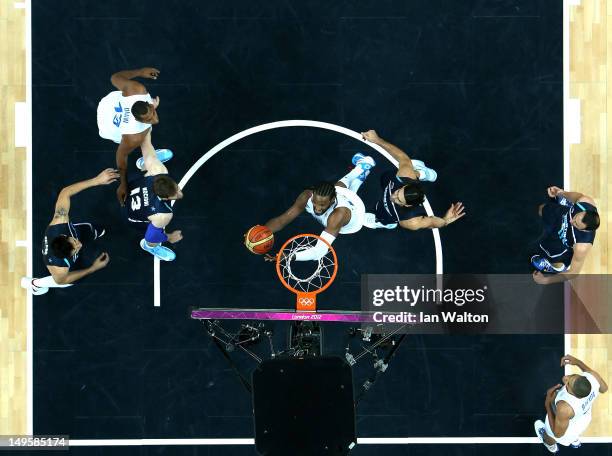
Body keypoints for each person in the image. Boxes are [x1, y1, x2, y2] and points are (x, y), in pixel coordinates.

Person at [20, 169, 119, 295]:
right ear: (66, 257)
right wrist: (92, 269)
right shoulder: (60, 268)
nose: (80, 245)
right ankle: (36, 284)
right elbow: (62, 280)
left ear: (64, 235)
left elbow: (65, 192)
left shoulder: (59, 222)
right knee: (68, 282)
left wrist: (97, 180)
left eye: (75, 242)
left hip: (74, 232)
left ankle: (34, 284)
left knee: (95, 229)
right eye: (76, 249)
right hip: (61, 273)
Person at [263, 153, 377, 262]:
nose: (316, 208)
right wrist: (262, 232)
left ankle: (372, 219)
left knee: (344, 193)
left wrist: (288, 256)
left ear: (332, 200)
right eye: (314, 202)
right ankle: (361, 168)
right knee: (338, 186)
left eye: (322, 205)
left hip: (354, 218)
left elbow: (318, 252)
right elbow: (282, 220)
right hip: (340, 197)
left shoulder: (338, 216)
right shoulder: (307, 196)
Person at [96, 67, 173, 205]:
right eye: (149, 119)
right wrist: (123, 184)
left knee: (147, 129)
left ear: (147, 103)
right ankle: (148, 158)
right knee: (146, 135)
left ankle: (148, 158)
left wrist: (141, 72)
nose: (155, 120)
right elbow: (121, 157)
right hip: (107, 128)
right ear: (139, 120)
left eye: (153, 112)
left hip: (107, 104)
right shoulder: (133, 136)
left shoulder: (137, 89)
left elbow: (114, 77)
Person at [360, 130, 465, 230]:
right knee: (396, 171)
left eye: (398, 200)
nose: (393, 196)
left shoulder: (411, 221)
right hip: (395, 180)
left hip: (389, 212)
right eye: (398, 192)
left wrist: (446, 221)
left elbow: (432, 222)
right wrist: (377, 140)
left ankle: (382, 222)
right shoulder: (405, 174)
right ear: (405, 186)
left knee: (384, 216)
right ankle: (422, 172)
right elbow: (402, 157)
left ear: (407, 205)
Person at [125, 130, 183, 261]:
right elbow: (152, 236)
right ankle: (150, 247)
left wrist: (145, 126)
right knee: (153, 236)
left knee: (151, 159)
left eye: (177, 188)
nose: (180, 193)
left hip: (130, 190)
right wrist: (169, 237)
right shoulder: (163, 215)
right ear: (165, 198)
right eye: (175, 194)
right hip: (133, 216)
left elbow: (145, 142)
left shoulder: (159, 172)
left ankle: (144, 163)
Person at [535, 354, 608, 453]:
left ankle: (551, 445)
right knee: (573, 427)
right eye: (572, 376)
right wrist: (578, 362)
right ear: (585, 378)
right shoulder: (593, 378)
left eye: (568, 383)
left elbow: (557, 433)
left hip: (567, 426)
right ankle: (574, 439)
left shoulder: (564, 408)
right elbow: (604, 389)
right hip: (583, 419)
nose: (565, 378)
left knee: (550, 434)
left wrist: (548, 403)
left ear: (575, 395)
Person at [532, 186, 600, 284]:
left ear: (584, 230)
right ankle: (570, 205)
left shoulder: (582, 246)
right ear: (584, 211)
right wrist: (560, 193)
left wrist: (545, 280)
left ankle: (558, 266)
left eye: (576, 224)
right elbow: (578, 197)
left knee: (541, 250)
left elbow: (574, 272)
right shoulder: (585, 202)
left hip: (563, 242)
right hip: (562, 214)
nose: (571, 221)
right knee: (541, 209)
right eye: (576, 217)